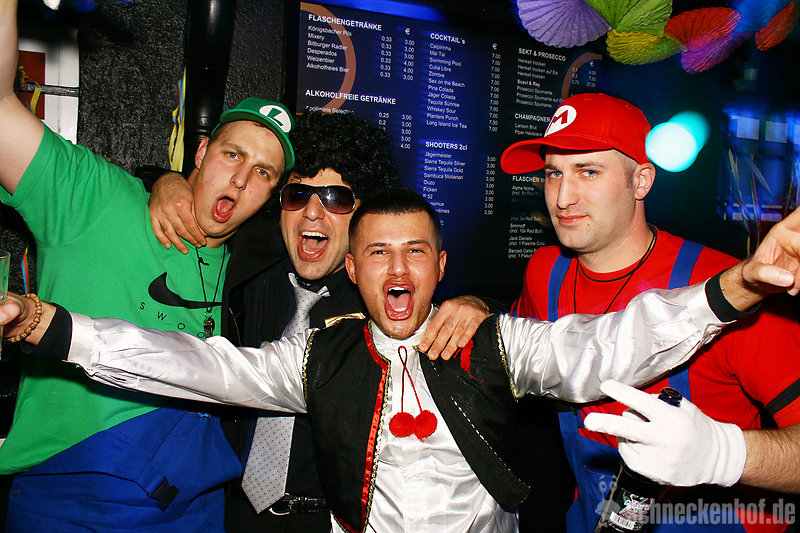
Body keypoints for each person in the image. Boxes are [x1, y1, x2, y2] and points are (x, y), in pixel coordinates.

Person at [4, 186, 800, 532]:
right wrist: (54, 326)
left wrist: (736, 284)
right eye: (378, 252)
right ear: (352, 270)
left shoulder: (493, 342)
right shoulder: (318, 355)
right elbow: (195, 363)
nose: (397, 267)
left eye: (415, 250)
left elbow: (604, 343)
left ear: (439, 265)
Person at [0, 0, 295, 530]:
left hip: (198, 506)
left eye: (263, 173)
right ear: (201, 152)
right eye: (232, 154)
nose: (240, 179)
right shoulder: (95, 199)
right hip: (74, 499)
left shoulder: (261, 265)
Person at [147, 111, 491, 530]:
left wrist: (475, 303)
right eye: (297, 195)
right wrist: (168, 181)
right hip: (231, 514)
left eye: (336, 198)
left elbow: (436, 299)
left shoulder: (379, 304)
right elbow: (209, 195)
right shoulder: (253, 264)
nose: (312, 212)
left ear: (362, 215)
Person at [501, 92, 800, 532]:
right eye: (553, 173)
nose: (563, 197)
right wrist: (475, 308)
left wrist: (723, 454)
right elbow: (522, 355)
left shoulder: (735, 289)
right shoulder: (545, 272)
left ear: (641, 181)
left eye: (588, 171)